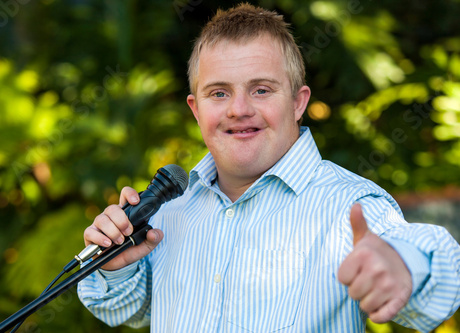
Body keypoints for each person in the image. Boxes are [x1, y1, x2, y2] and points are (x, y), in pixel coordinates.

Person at [78, 4, 460, 332]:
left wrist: (404, 266)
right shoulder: (170, 209)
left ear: (297, 102)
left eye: (261, 89)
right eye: (219, 93)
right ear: (196, 110)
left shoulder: (348, 205)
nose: (239, 109)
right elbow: (121, 309)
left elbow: (438, 265)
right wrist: (114, 266)